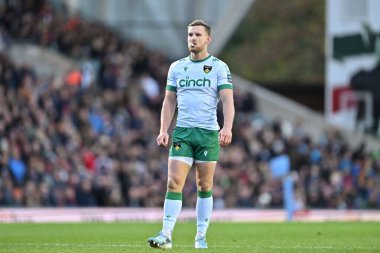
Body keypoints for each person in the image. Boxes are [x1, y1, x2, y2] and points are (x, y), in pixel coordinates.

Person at [147, 20, 235, 249]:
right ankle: (166, 234)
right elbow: (169, 101)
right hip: (183, 132)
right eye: (189, 35)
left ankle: (200, 235)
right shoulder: (176, 67)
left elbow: (227, 100)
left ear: (208, 39)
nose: (192, 39)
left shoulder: (218, 67)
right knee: (173, 182)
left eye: (197, 35)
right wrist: (163, 129)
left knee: (204, 186)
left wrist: (227, 127)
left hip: (207, 133)